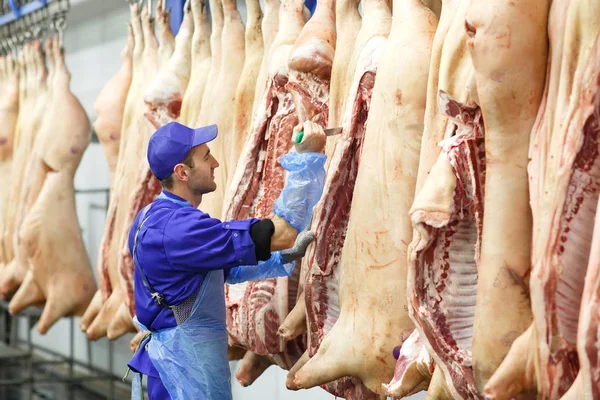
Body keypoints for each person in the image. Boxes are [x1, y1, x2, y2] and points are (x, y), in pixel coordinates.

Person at [125, 121, 327, 400]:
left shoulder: (153, 215)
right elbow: (282, 232)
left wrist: (282, 257)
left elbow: (216, 266)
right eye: (206, 157)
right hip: (186, 370)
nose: (216, 163)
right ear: (182, 172)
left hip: (180, 363)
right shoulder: (178, 229)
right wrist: (306, 159)